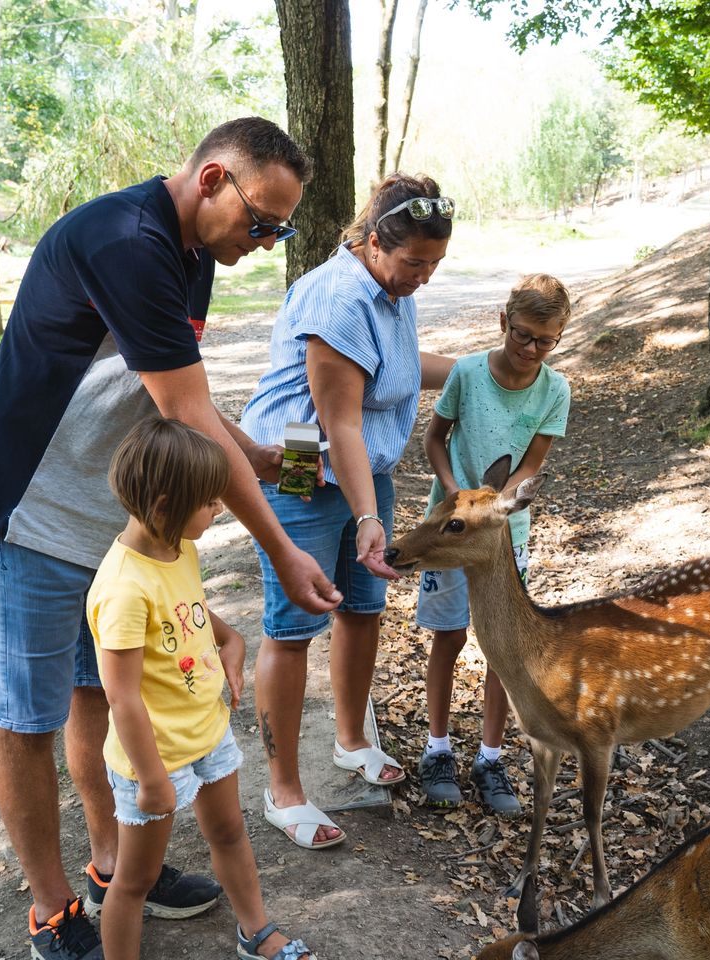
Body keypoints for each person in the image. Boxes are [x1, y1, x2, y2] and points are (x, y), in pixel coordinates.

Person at [0, 117, 341, 959]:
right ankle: (54, 911)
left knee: (102, 696)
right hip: (31, 510)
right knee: (29, 715)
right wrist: (282, 550)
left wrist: (259, 454)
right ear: (210, 181)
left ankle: (117, 862)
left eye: (282, 230)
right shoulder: (126, 239)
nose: (266, 242)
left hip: (103, 520)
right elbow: (184, 414)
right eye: (261, 221)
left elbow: (169, 390)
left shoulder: (194, 255)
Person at [241, 173, 455, 849]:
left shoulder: (392, 290)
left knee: (363, 605)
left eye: (435, 265)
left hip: (368, 466)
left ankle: (352, 739)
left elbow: (396, 369)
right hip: (300, 461)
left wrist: (485, 367)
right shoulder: (337, 299)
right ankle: (284, 792)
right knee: (295, 620)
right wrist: (368, 520)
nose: (422, 277)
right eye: (414, 263)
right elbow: (342, 425)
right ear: (370, 241)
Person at [88, 417, 316, 960]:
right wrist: (150, 780)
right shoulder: (122, 588)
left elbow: (190, 611)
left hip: (207, 734)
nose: (218, 512)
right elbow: (121, 697)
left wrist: (230, 640)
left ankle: (255, 931)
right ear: (166, 505)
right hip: (154, 758)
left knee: (231, 833)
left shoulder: (175, 548)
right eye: (210, 503)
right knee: (136, 879)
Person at [416, 274, 572, 815]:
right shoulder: (466, 374)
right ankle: (437, 749)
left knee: (503, 650)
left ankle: (490, 755)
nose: (531, 350)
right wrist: (460, 497)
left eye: (544, 341)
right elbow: (435, 438)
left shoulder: (555, 389)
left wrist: (494, 510)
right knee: (449, 636)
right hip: (449, 532)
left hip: (505, 538)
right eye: (522, 335)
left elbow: (531, 464)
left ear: (559, 337)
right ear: (503, 322)